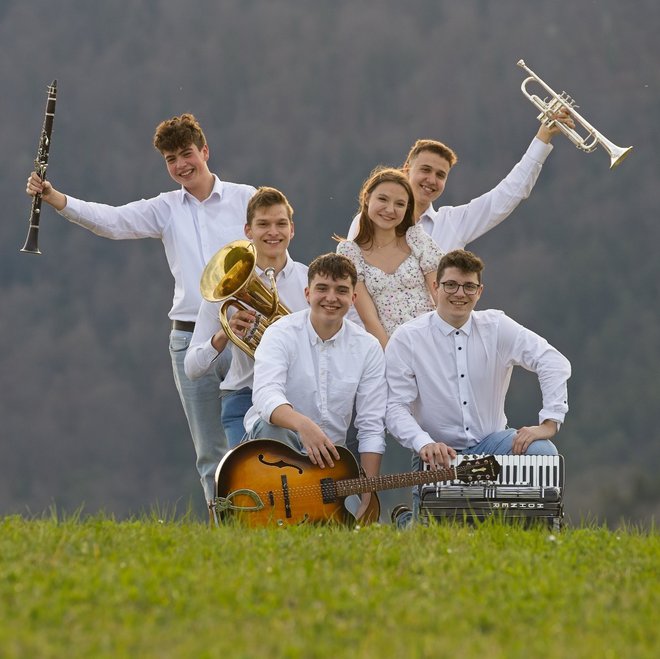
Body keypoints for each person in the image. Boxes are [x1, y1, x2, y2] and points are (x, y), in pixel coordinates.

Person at [25, 113, 255, 507]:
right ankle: (229, 529)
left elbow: (274, 241)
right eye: (171, 159)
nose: (181, 165)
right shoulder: (167, 208)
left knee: (253, 438)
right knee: (208, 450)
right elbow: (111, 222)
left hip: (246, 330)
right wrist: (55, 198)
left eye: (186, 154)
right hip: (188, 336)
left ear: (205, 151)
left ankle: (267, 519)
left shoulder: (246, 198)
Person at [385, 249, 571, 522]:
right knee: (430, 533)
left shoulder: (496, 326)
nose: (460, 293)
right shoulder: (407, 338)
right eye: (451, 285)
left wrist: (549, 422)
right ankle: (406, 521)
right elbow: (395, 407)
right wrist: (423, 442)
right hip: (438, 453)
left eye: (469, 286)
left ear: (479, 291)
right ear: (435, 286)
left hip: (492, 443)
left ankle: (534, 523)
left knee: (543, 452)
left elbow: (553, 361)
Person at [243, 253, 387, 520]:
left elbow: (371, 426)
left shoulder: (368, 348)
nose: (331, 298)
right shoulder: (280, 332)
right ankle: (271, 520)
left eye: (341, 291)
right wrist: (303, 425)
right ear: (308, 293)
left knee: (348, 533)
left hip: (328, 465)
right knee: (272, 426)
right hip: (270, 453)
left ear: (353, 299)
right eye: (322, 289)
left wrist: (368, 495)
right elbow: (265, 395)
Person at [184, 186, 308, 448]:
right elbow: (192, 368)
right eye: (263, 224)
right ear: (248, 231)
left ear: (292, 229)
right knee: (248, 486)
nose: (273, 232)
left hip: (302, 395)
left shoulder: (310, 281)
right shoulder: (226, 286)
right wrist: (224, 335)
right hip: (244, 396)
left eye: (280, 223)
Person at [346, 112, 575, 251]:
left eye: (440, 175)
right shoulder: (370, 219)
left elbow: (507, 195)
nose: (431, 180)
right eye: (425, 170)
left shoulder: (453, 222)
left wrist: (542, 139)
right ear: (406, 170)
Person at [336, 167, 443, 349]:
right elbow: (369, 319)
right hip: (389, 348)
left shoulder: (416, 239)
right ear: (367, 198)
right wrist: (393, 360)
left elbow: (441, 296)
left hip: (433, 342)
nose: (390, 210)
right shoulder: (350, 253)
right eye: (383, 199)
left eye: (400, 204)